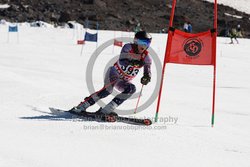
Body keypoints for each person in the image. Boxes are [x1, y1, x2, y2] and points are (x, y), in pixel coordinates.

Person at [70, 31, 152, 118]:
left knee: (131, 89)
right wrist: (133, 62)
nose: (144, 46)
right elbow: (122, 60)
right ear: (135, 41)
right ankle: (82, 105)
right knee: (107, 91)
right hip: (113, 73)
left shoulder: (146, 57)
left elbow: (148, 70)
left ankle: (106, 110)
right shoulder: (128, 47)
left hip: (123, 81)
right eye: (141, 42)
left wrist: (147, 77)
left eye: (147, 43)